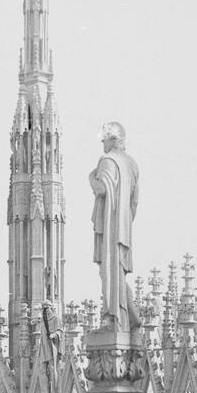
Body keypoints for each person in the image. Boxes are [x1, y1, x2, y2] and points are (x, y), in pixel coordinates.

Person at [89, 122, 141, 332]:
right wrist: (126, 224)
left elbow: (101, 189)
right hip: (123, 228)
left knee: (108, 272)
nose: (102, 142)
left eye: (104, 139)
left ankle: (113, 318)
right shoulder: (132, 164)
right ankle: (132, 315)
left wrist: (91, 177)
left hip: (110, 226)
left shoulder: (108, 161)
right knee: (117, 272)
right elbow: (134, 201)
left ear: (112, 139)